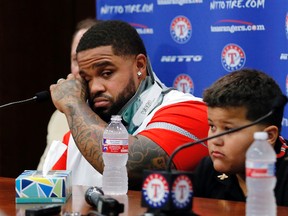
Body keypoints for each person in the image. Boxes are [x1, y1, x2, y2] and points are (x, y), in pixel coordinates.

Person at [50, 20, 209, 189]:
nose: (95, 87)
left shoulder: (190, 111)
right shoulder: (77, 135)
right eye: (86, 79)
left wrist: (74, 105)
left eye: (106, 73)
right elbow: (46, 198)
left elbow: (127, 165)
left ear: (139, 65)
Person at [192, 69, 288, 206]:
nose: (215, 140)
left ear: (268, 136)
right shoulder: (207, 169)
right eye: (212, 126)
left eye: (229, 129)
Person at [37, 18, 100, 171]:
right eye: (76, 60)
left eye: (89, 59)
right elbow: (44, 177)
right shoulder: (59, 117)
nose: (80, 69)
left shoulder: (119, 116)